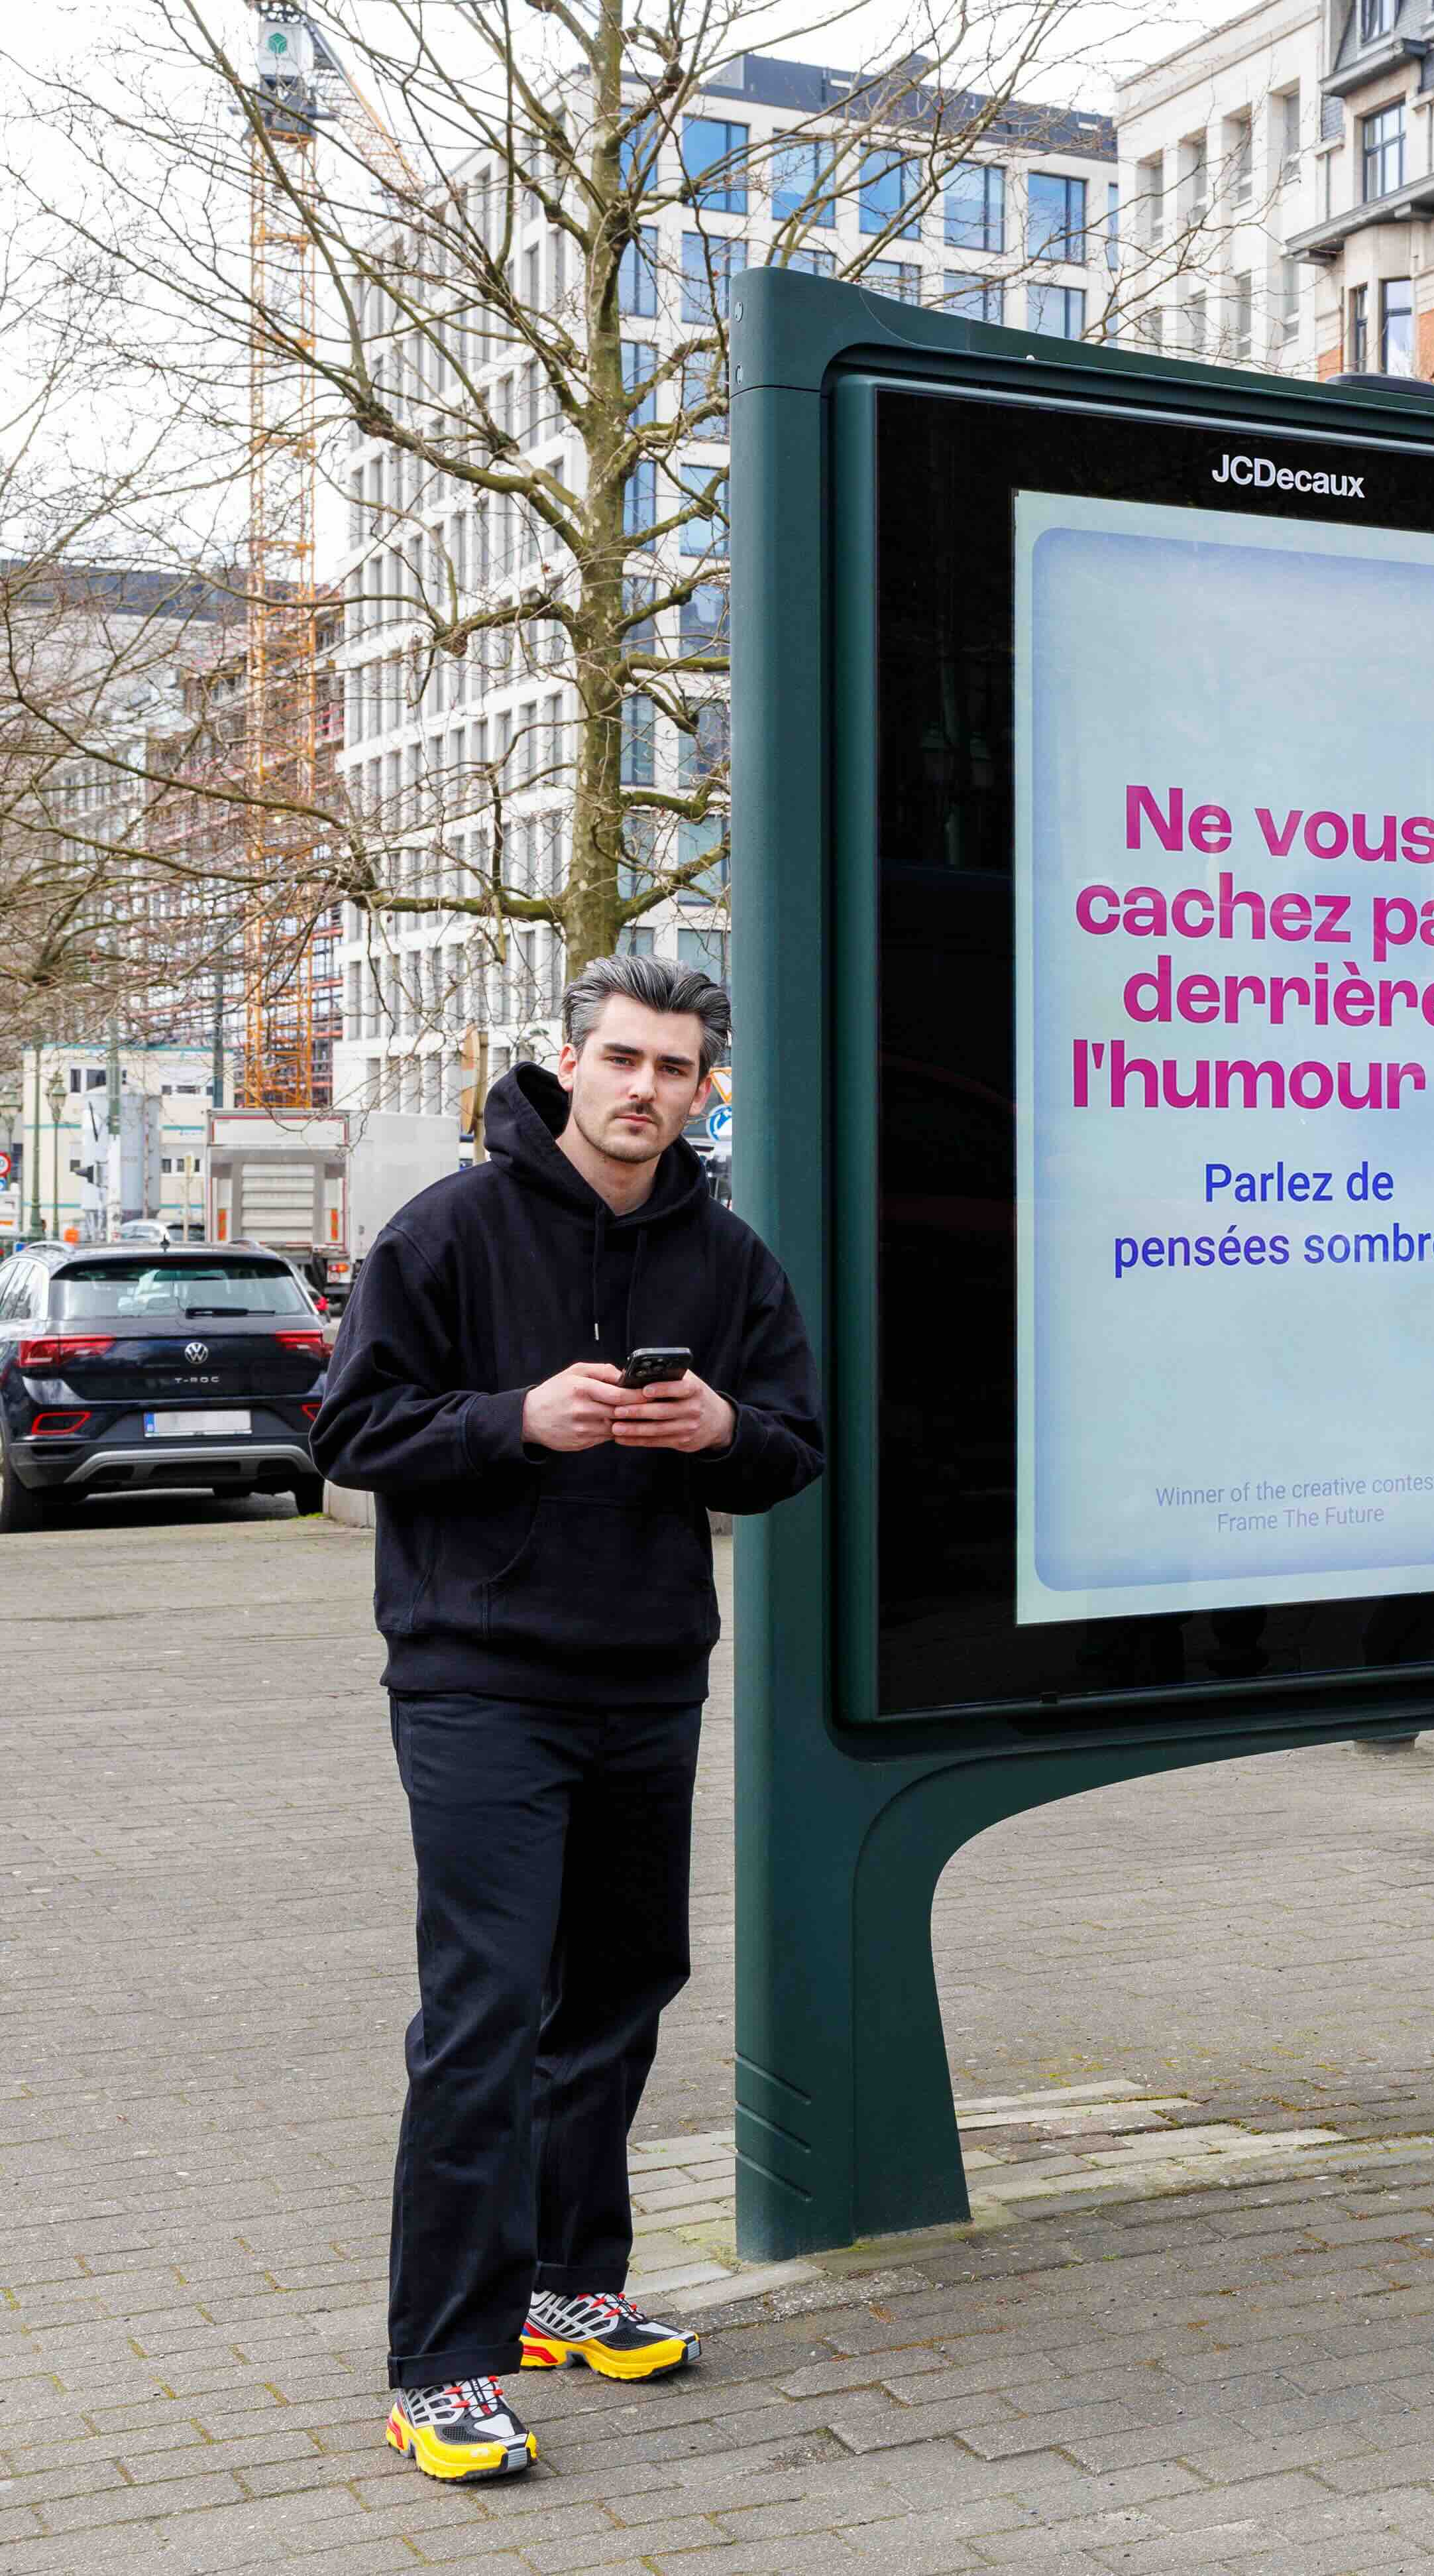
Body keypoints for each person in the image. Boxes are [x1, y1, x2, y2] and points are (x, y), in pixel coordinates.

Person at [314, 955, 824, 2485]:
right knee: (483, 2012)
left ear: (701, 1087)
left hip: (648, 1673)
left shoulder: (726, 1258)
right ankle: (440, 2361)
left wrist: (725, 1428)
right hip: (478, 1680)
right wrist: (511, 1420)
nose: (645, 1088)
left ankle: (559, 2278)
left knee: (618, 1987)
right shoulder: (448, 1231)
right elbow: (346, 1429)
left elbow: (793, 1443)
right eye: (622, 1057)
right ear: (568, 1060)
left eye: (676, 1068)